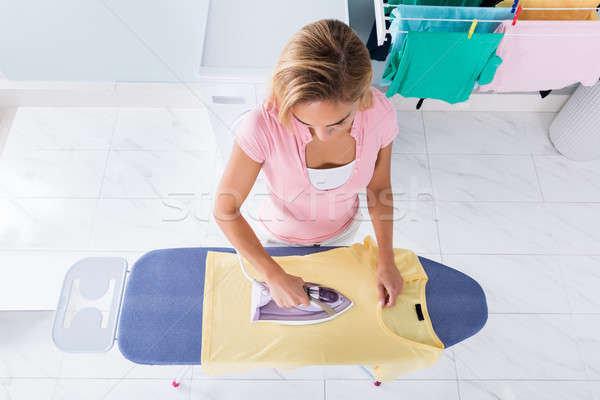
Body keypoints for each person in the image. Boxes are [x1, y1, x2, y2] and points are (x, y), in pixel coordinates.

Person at [213, 19, 403, 310]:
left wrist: (386, 261)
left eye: (338, 122)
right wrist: (273, 274)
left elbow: (379, 188)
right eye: (305, 123)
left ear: (361, 95)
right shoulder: (262, 125)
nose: (321, 136)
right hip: (277, 241)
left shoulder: (380, 114)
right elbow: (225, 210)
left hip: (344, 232)